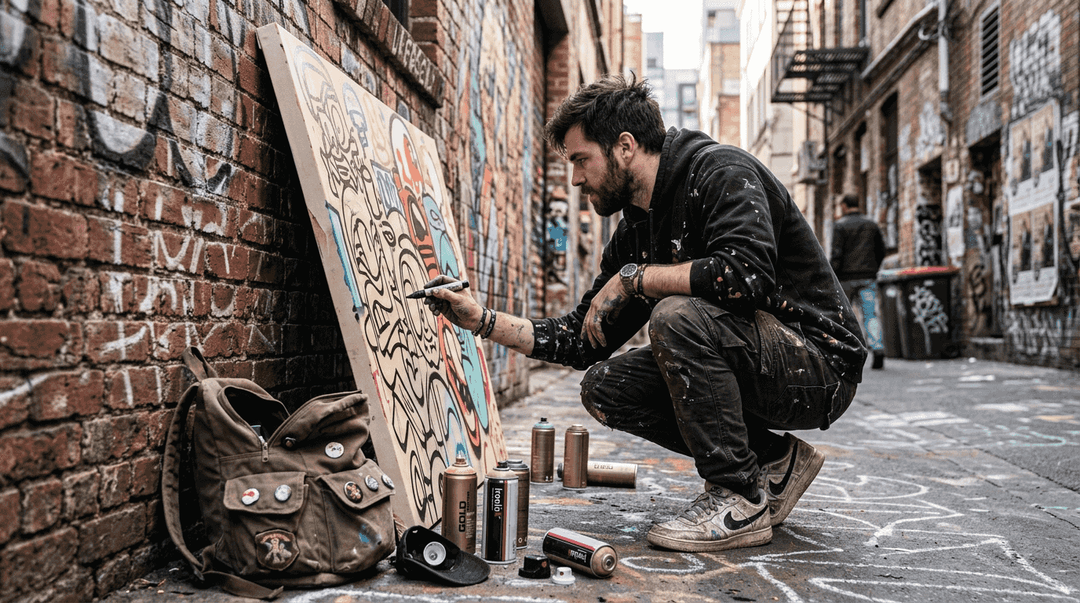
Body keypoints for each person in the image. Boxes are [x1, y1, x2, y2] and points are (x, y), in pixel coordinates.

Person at [420, 75, 866, 553]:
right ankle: (773, 462)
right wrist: (481, 320)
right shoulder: (636, 230)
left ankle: (738, 496)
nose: (574, 179)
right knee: (605, 388)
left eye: (580, 160)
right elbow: (581, 338)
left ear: (625, 147)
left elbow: (745, 275)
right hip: (757, 361)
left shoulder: (720, 172)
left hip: (820, 365)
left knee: (676, 316)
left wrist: (637, 278)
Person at [830, 194, 887, 369]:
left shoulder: (840, 226)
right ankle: (878, 350)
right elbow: (881, 250)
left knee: (844, 317)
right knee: (870, 315)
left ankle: (846, 353)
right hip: (867, 277)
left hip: (846, 279)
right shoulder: (871, 224)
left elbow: (836, 254)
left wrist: (832, 275)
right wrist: (873, 270)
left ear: (845, 206)